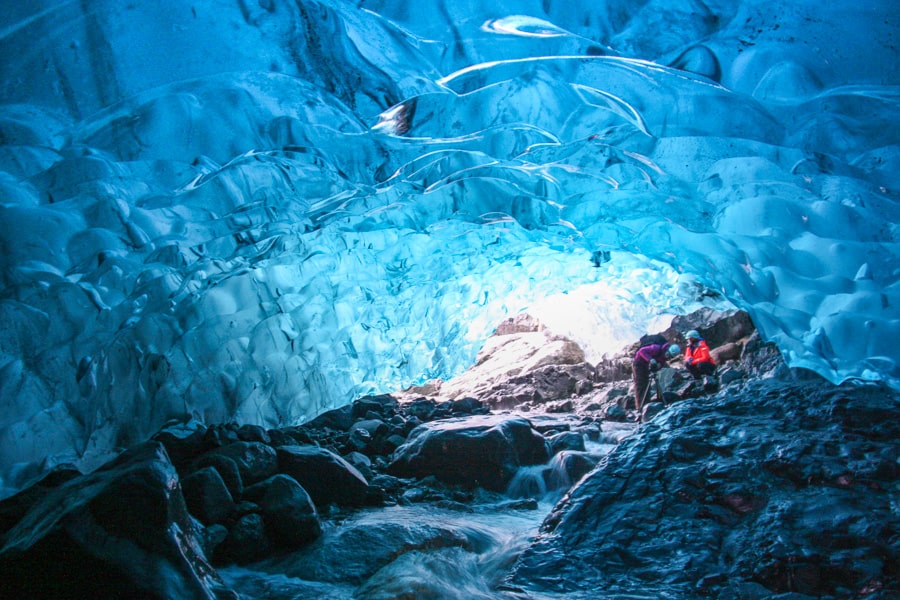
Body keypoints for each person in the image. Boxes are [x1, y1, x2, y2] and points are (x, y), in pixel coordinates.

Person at [632, 339, 680, 416]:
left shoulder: (664, 357)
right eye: (668, 355)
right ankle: (640, 407)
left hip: (646, 365)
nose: (668, 357)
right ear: (667, 350)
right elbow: (641, 351)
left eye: (670, 357)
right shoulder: (656, 348)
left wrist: (657, 367)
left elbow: (660, 364)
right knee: (640, 385)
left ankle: (647, 403)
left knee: (646, 384)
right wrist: (650, 359)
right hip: (639, 363)